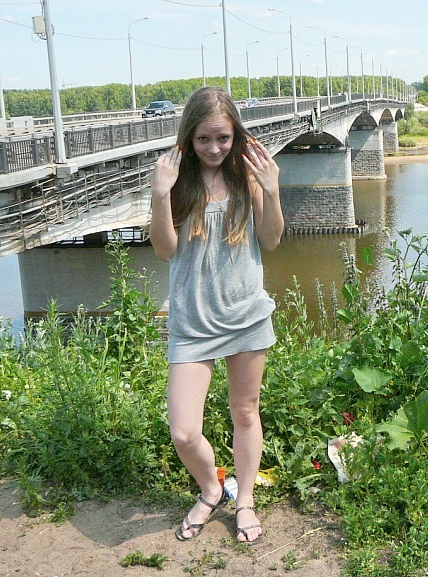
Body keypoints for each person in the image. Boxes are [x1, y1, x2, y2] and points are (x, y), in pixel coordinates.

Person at [149, 86, 284, 545]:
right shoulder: (176, 180)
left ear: (235, 135)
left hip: (246, 315)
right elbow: (165, 250)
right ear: (189, 137)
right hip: (192, 322)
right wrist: (159, 196)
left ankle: (244, 499)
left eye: (223, 138)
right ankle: (211, 488)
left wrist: (272, 189)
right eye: (204, 139)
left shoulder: (248, 176)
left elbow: (272, 240)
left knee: (245, 411)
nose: (213, 148)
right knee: (184, 432)